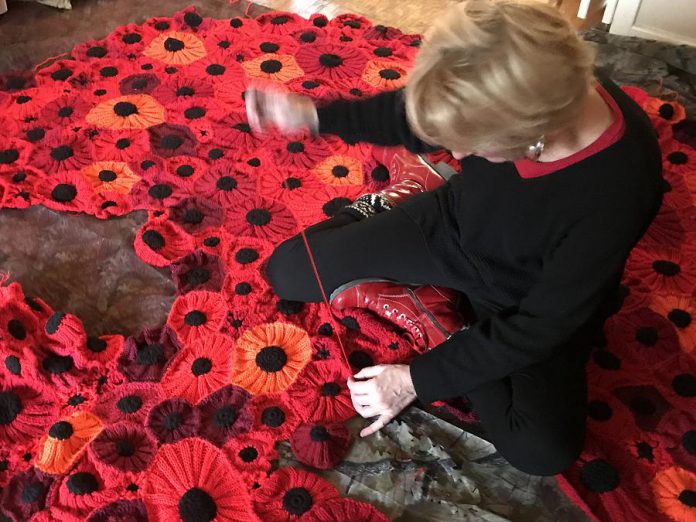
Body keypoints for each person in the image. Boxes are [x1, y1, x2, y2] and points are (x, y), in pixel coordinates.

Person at [247, 0, 663, 476]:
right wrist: (315, 117)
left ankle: (449, 320)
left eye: (474, 143)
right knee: (289, 270)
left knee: (541, 451)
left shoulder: (620, 187)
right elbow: (423, 116)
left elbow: (540, 328)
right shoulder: (520, 87)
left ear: (533, 137)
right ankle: (402, 206)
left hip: (521, 299)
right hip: (455, 226)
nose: (459, 153)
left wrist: (415, 379)